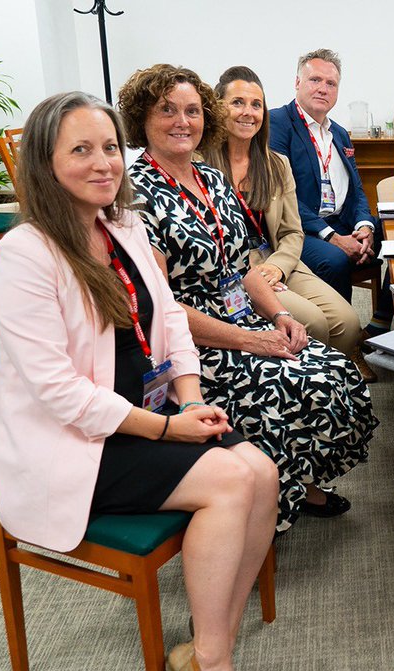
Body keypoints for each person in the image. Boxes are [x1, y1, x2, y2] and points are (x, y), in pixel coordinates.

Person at [0, 91, 278, 671]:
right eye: (82, 150)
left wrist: (191, 400)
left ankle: (206, 644)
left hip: (143, 416)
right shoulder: (25, 253)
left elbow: (169, 318)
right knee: (228, 480)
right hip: (72, 445)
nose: (105, 163)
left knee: (263, 474)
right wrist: (170, 428)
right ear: (44, 164)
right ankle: (215, 663)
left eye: (111, 148)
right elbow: (62, 394)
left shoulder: (120, 223)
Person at [118, 64, 378, 533]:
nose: (183, 121)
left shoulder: (210, 179)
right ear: (142, 119)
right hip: (192, 342)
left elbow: (243, 267)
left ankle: (299, 481)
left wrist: (278, 315)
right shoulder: (136, 195)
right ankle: (262, 513)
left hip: (240, 313)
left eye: (193, 111)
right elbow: (162, 308)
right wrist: (251, 341)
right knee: (295, 383)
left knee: (333, 369)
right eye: (167, 111)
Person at [202, 65, 376, 382]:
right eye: (237, 102)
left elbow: (291, 232)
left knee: (348, 323)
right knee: (315, 322)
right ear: (217, 108)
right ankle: (303, 385)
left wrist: (279, 267)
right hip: (236, 270)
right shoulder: (200, 165)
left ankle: (323, 381)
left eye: (256, 104)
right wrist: (257, 272)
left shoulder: (274, 164)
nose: (248, 112)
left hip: (279, 259)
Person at [268, 48, 393, 338]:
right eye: (315, 80)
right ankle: (345, 342)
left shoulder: (339, 133)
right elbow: (282, 197)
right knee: (335, 259)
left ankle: (381, 320)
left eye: (331, 83)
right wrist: (334, 238)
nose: (323, 88)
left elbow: (357, 189)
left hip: (339, 220)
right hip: (299, 229)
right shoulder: (278, 123)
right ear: (297, 83)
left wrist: (364, 227)